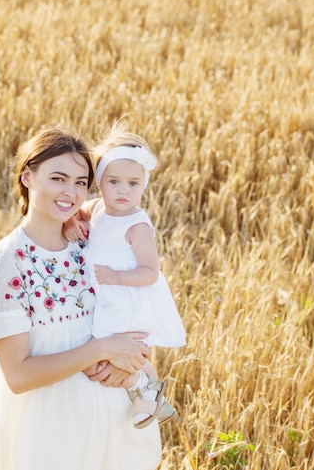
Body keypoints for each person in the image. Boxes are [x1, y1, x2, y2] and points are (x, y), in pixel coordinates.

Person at [0, 128, 162, 470]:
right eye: (58, 178)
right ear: (27, 176)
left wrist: (133, 366)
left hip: (114, 435)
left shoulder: (91, 245)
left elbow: (133, 322)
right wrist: (101, 350)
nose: (71, 192)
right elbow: (17, 377)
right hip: (47, 443)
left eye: (81, 182)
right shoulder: (7, 263)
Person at [64, 125, 186, 429]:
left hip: (124, 299)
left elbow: (150, 272)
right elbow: (76, 213)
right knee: (97, 360)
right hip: (104, 297)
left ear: (143, 185)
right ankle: (146, 387)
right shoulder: (98, 208)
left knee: (103, 359)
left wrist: (116, 277)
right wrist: (69, 224)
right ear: (100, 183)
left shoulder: (137, 226)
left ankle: (145, 386)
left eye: (133, 183)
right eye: (114, 181)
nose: (123, 190)